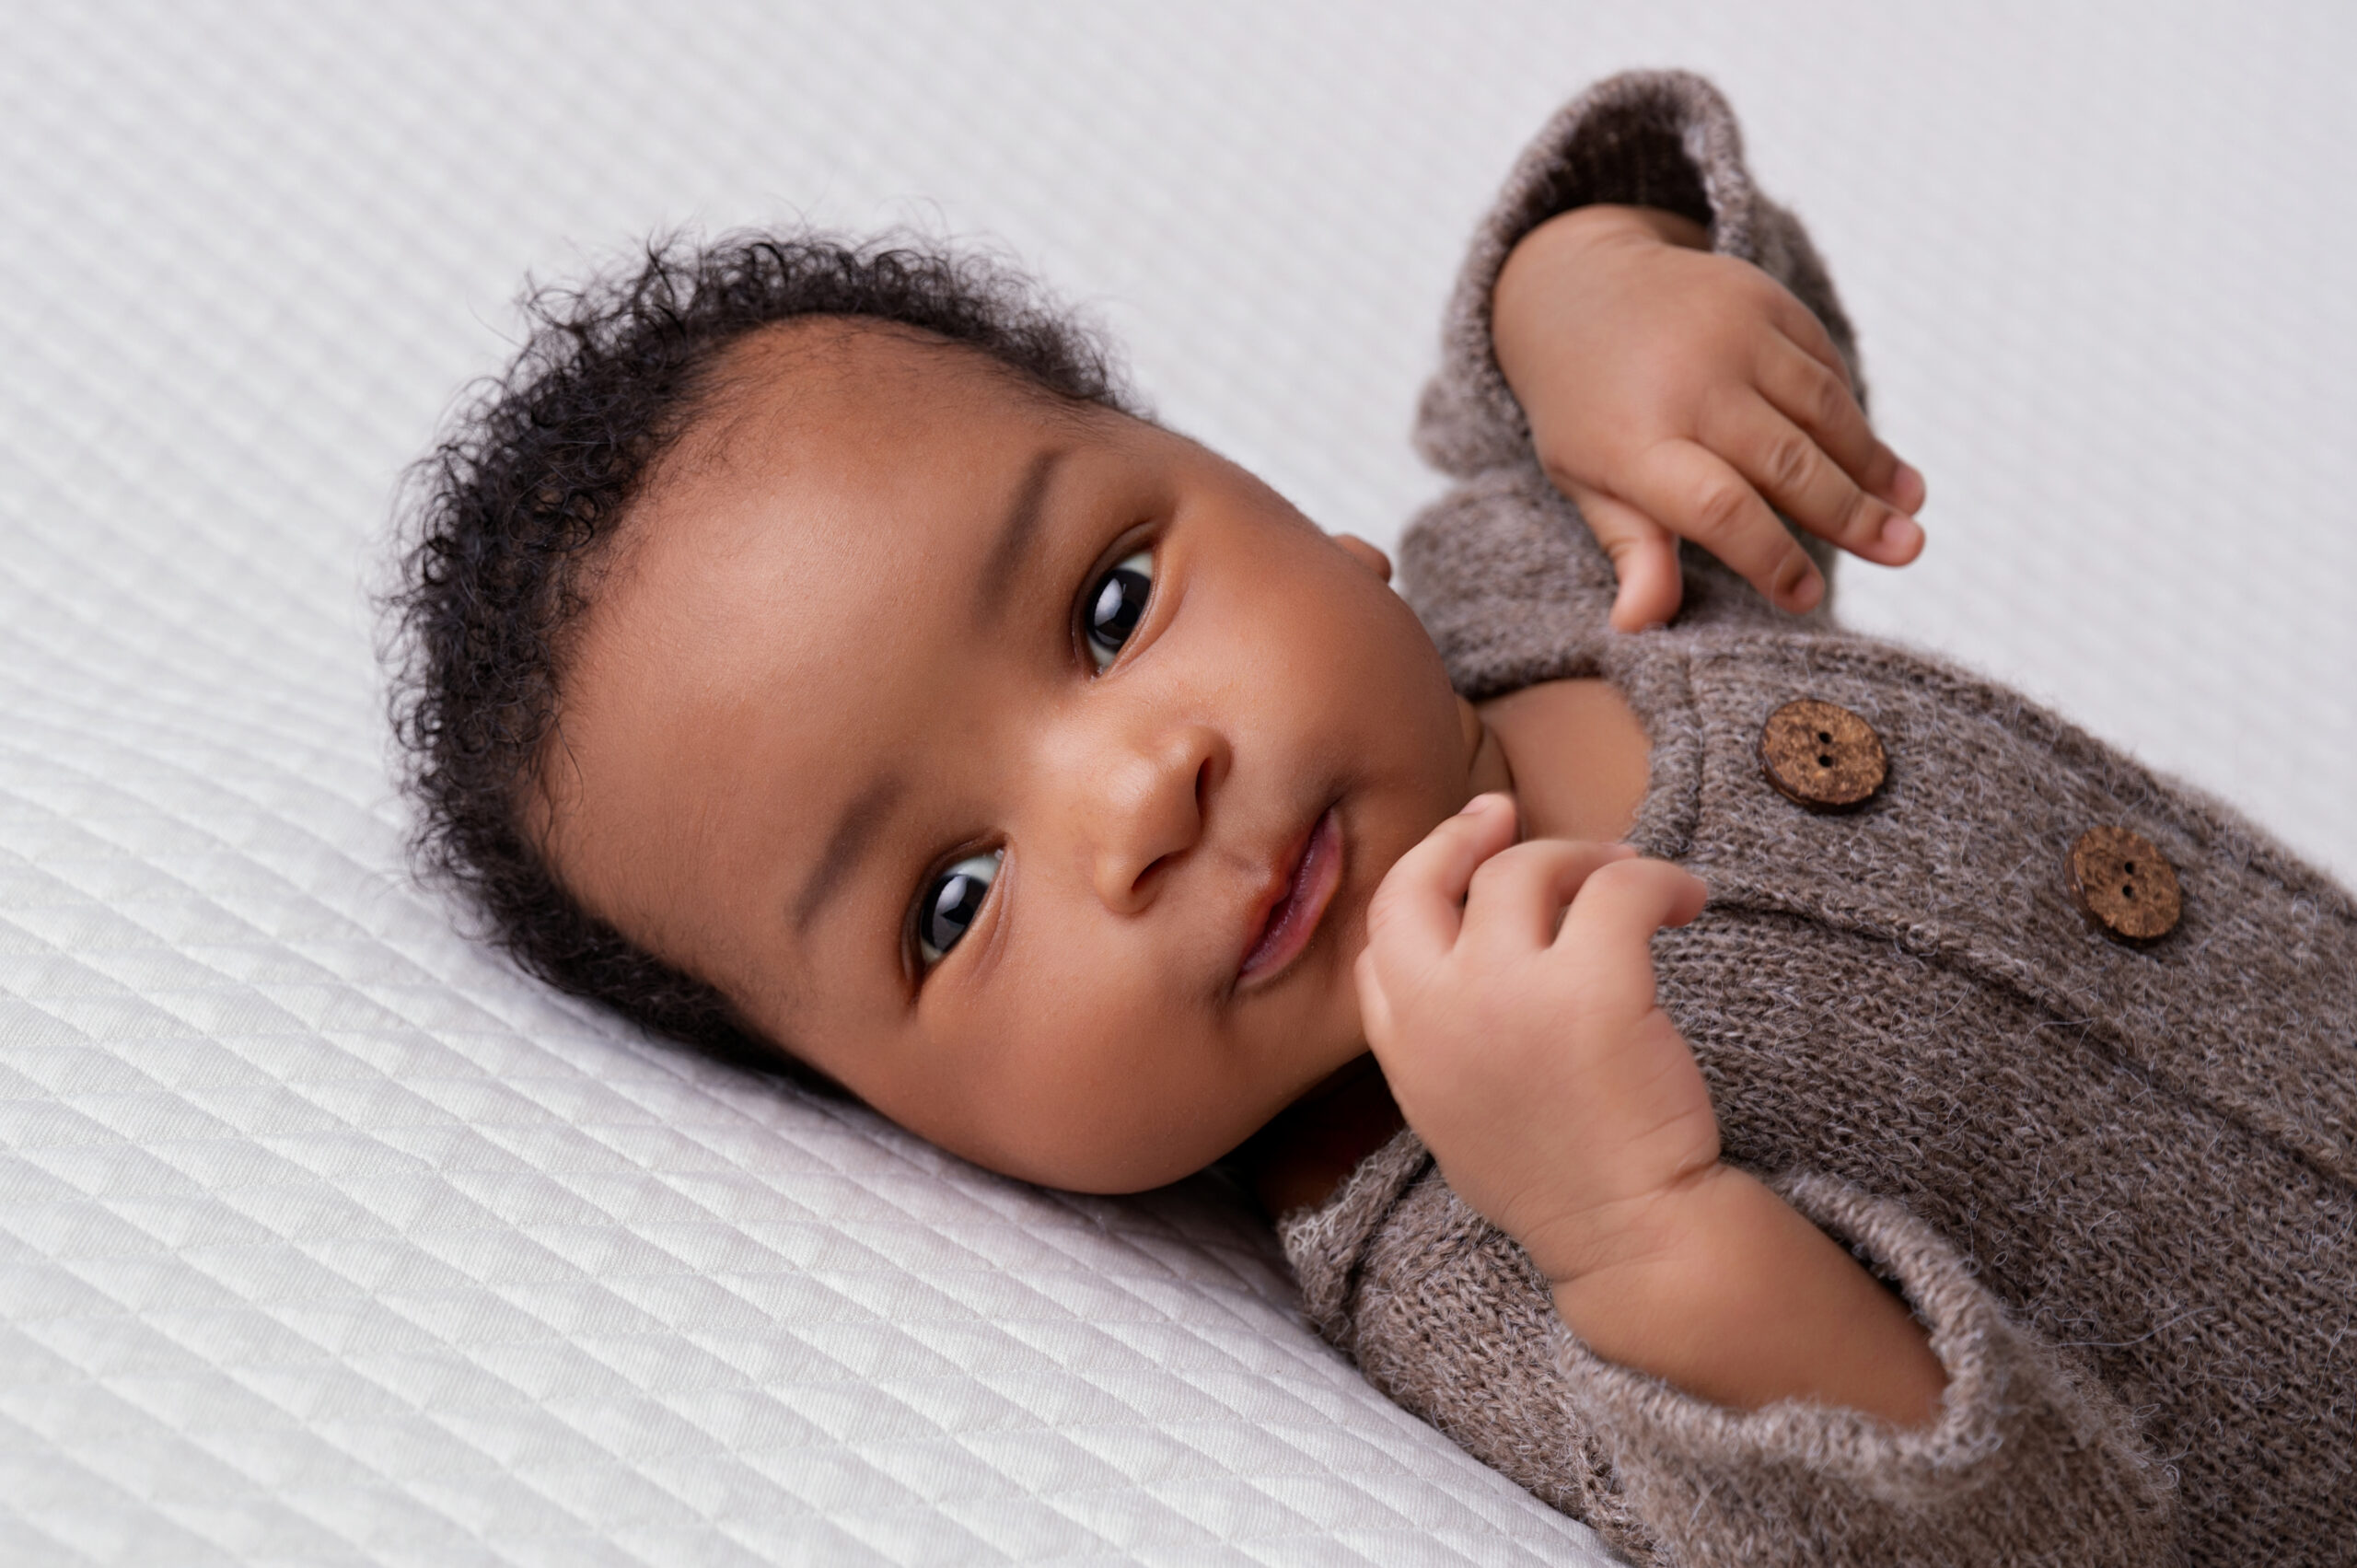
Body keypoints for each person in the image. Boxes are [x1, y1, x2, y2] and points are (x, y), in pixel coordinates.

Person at [389, 69, 2356, 1565]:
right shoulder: (1456, 1247)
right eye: (953, 900)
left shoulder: (1553, 594)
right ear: (905, 1125)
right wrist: (1637, 1228)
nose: (1139, 799)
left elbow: (1671, 336)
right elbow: (2010, 1534)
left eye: (1110, 608)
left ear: (1269, 498)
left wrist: (1584, 296)